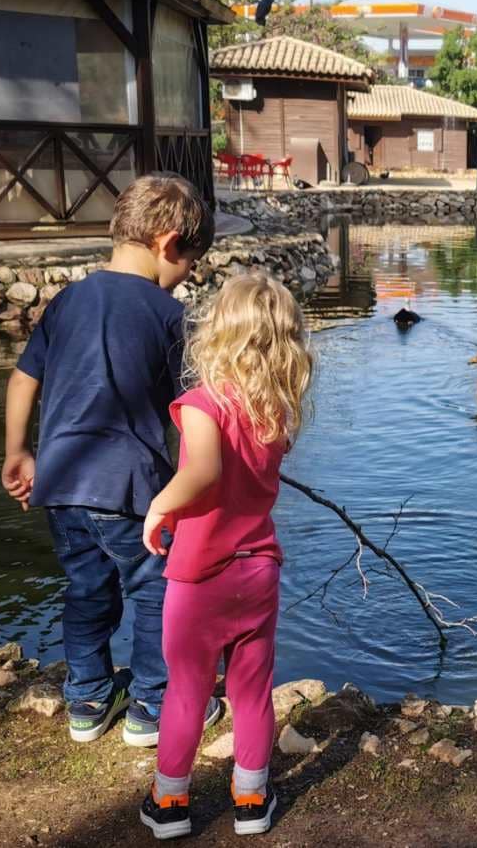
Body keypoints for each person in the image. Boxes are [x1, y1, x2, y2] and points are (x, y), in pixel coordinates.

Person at [1, 173, 221, 747]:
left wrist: (18, 452)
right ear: (168, 244)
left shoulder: (68, 300)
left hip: (62, 480)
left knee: (86, 588)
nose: (186, 278)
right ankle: (153, 705)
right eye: (190, 265)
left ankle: (88, 700)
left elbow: (24, 378)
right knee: (156, 590)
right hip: (130, 488)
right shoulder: (169, 317)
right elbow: (193, 410)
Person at [138, 274, 313, 840]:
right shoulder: (275, 412)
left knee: (188, 686)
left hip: (199, 575)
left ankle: (169, 805)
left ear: (216, 332)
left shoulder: (200, 403)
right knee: (252, 689)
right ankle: (252, 798)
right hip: (258, 568)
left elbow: (204, 473)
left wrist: (159, 507)